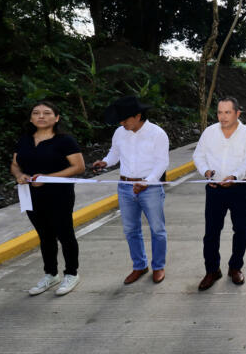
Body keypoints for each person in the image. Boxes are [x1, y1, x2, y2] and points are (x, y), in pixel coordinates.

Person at [93, 96, 169, 285]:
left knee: (157, 230)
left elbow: (162, 162)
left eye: (125, 119)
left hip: (150, 188)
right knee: (130, 230)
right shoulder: (120, 132)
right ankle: (139, 266)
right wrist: (105, 162)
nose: (122, 122)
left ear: (138, 116)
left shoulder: (157, 134)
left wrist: (147, 181)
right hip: (125, 187)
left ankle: (158, 266)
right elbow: (114, 153)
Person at [11, 100, 85, 296]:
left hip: (59, 195)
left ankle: (71, 273)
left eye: (46, 113)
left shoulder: (65, 140)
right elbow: (15, 164)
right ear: (31, 118)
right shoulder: (25, 139)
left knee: (64, 234)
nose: (41, 116)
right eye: (36, 113)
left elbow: (78, 167)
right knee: (44, 236)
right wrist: (19, 175)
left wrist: (48, 178)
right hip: (31, 195)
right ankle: (51, 274)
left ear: (57, 118)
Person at [193, 97, 246, 291]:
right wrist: (206, 171)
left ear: (238, 113)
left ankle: (235, 267)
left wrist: (235, 176)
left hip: (240, 188)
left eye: (227, 112)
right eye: (220, 112)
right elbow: (198, 155)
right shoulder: (209, 133)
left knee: (240, 230)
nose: (223, 117)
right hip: (214, 189)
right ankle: (212, 270)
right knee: (211, 232)